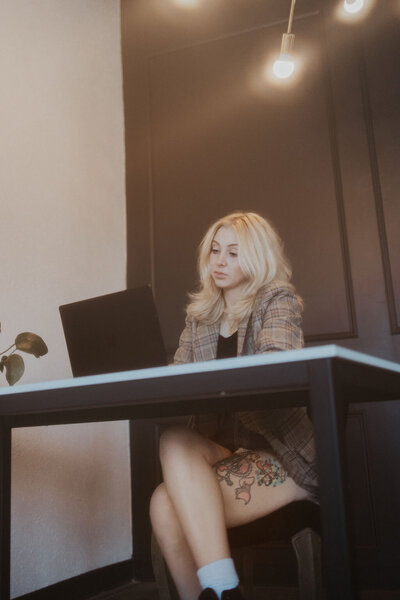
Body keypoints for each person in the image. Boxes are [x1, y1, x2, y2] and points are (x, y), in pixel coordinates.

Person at [150, 212, 318, 600]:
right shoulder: (199, 318)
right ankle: (221, 592)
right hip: (223, 449)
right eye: (214, 251)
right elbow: (175, 378)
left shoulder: (277, 299)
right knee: (173, 441)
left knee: (164, 503)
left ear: (256, 258)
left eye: (233, 253)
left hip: (278, 452)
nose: (219, 261)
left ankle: (222, 590)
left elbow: (278, 362)